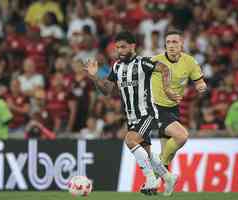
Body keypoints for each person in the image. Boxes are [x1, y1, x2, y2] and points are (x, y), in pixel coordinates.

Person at [84, 31, 178, 196]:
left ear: (133, 46)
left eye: (123, 47)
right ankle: (168, 177)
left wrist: (168, 88)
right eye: (117, 47)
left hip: (147, 113)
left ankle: (150, 179)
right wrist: (94, 76)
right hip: (131, 116)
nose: (119, 50)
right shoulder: (116, 67)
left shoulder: (143, 62)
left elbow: (164, 68)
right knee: (146, 151)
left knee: (130, 140)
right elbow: (107, 90)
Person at [150, 29, 207, 169]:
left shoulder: (189, 62)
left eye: (175, 42)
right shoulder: (155, 61)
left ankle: (157, 181)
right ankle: (159, 163)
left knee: (168, 154)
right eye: (168, 42)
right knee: (181, 136)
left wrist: (201, 86)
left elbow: (200, 81)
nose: (171, 45)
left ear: (182, 44)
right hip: (155, 107)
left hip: (173, 108)